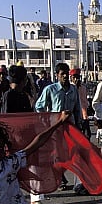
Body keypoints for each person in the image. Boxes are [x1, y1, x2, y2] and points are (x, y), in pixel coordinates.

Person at [35, 62, 81, 195]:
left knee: (74, 153)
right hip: (55, 127)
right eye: (62, 74)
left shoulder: (73, 90)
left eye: (67, 73)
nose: (65, 76)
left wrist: (79, 124)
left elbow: (77, 108)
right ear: (57, 75)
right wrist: (47, 121)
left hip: (71, 126)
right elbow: (39, 106)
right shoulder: (50, 89)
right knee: (56, 154)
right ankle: (60, 179)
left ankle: (78, 182)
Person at [70, 68, 91, 140]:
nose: (76, 79)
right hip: (74, 116)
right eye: (74, 77)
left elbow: (84, 101)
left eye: (77, 77)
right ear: (71, 78)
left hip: (84, 115)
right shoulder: (70, 88)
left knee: (87, 135)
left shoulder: (83, 87)